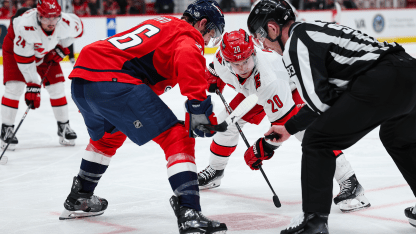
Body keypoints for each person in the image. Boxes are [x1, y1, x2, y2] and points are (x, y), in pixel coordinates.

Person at [247, 0, 416, 233]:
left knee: (317, 140)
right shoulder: (314, 29)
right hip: (409, 71)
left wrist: (294, 125)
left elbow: (320, 101)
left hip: (382, 79)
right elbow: (334, 94)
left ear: (273, 28)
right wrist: (289, 127)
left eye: (259, 35)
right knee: (396, 136)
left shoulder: (297, 43)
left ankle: (314, 221)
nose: (262, 44)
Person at [59, 0, 228, 233]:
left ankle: (81, 195)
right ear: (202, 23)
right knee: (177, 136)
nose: (209, 40)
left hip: (83, 79)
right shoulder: (189, 36)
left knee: (108, 137)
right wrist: (199, 107)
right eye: (211, 33)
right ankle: (189, 211)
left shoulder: (162, 22)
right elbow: (188, 54)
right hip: (112, 81)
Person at [198, 29, 370, 213]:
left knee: (308, 132)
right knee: (226, 124)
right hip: (254, 91)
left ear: (253, 53)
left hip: (291, 86)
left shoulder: (269, 78)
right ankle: (215, 171)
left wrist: (263, 148)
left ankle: (351, 184)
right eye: (236, 64)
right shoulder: (224, 57)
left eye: (246, 61)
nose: (242, 68)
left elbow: (283, 127)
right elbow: (214, 67)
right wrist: (214, 77)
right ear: (226, 60)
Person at [1, 0, 83, 151]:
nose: (51, 22)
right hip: (16, 51)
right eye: (46, 18)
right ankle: (7, 128)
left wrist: (61, 47)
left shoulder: (65, 22)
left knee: (57, 87)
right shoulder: (25, 26)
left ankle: (63, 126)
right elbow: (24, 59)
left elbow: (78, 31)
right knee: (15, 87)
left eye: (54, 17)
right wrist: (33, 84)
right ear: (38, 16)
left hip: (45, 50)